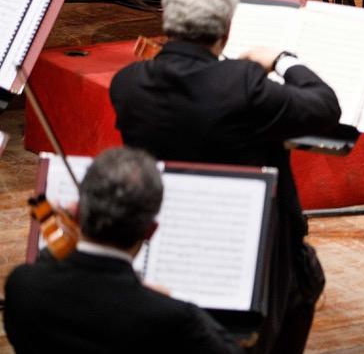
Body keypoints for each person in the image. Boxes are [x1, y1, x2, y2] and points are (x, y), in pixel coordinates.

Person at [109, 0, 341, 354]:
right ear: (227, 24)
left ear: (167, 16)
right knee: (306, 274)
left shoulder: (127, 85)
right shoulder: (244, 87)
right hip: (245, 247)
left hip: (162, 239)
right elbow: (325, 106)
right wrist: (282, 59)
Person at [4, 147, 240, 353]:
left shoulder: (21, 286)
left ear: (76, 211)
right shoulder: (171, 317)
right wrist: (171, 302)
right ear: (150, 231)